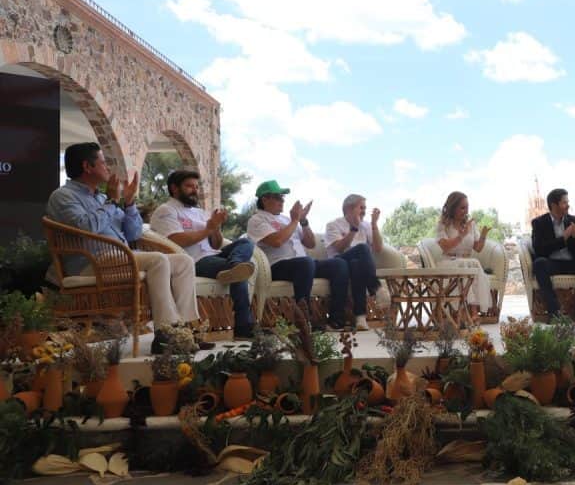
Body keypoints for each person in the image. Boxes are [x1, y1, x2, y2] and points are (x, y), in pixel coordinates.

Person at [45, 142, 199, 352]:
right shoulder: (64, 196)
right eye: (103, 162)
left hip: (120, 259)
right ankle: (166, 335)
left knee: (183, 262)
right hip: (91, 263)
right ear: (87, 167)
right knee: (158, 260)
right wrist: (111, 201)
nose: (108, 167)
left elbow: (133, 233)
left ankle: (187, 331)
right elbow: (86, 227)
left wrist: (128, 203)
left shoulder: (102, 197)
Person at [150, 170, 257, 338]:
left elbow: (215, 244)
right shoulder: (166, 210)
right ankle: (244, 325)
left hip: (213, 254)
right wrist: (208, 228)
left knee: (246, 243)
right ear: (175, 188)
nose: (194, 190)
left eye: (196, 187)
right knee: (241, 271)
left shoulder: (200, 212)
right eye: (189, 186)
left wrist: (215, 227)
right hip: (193, 261)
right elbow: (176, 240)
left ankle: (235, 265)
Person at [246, 180, 350, 329]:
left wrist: (303, 221)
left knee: (339, 264)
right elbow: (277, 241)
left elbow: (310, 243)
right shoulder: (257, 220)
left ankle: (336, 319)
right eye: (278, 197)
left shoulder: (286, 220)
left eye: (283, 198)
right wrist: (295, 220)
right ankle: (303, 319)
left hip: (302, 265)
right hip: (276, 266)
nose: (282, 201)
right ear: (264, 199)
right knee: (305, 263)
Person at [530, 188, 575, 323]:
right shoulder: (539, 223)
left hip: (571, 263)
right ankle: (554, 312)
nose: (568, 205)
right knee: (539, 263)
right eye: (564, 203)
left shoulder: (574, 221)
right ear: (554, 205)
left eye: (568, 202)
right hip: (551, 263)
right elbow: (539, 250)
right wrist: (563, 239)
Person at [324, 194, 388, 330]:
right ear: (348, 208)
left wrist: (374, 225)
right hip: (338, 263)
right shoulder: (333, 225)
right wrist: (353, 229)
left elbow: (378, 248)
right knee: (362, 248)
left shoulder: (366, 225)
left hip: (354, 266)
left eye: (365, 208)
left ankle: (360, 318)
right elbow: (339, 248)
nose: (364, 211)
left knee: (356, 264)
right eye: (361, 207)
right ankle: (375, 287)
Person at [435, 192, 493, 323]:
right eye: (462, 208)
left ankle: (472, 311)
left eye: (467, 207)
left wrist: (483, 235)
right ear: (452, 208)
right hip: (448, 262)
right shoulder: (443, 225)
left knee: (471, 264)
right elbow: (445, 247)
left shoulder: (470, 224)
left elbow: (478, 248)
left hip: (467, 262)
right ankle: (467, 312)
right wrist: (460, 236)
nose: (466, 211)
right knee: (466, 265)